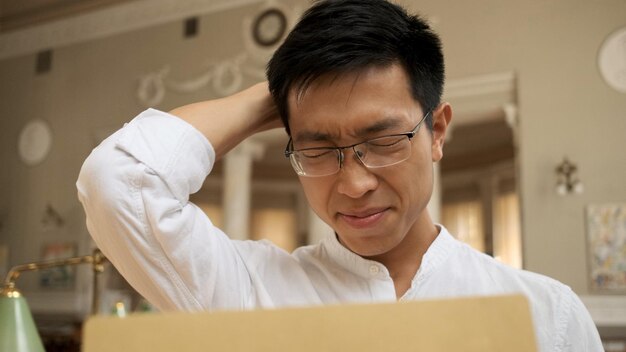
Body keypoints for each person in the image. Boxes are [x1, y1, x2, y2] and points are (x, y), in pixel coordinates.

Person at [77, 0, 602, 350]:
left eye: (382, 141)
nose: (352, 185)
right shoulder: (249, 291)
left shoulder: (546, 313)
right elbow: (117, 182)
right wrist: (280, 93)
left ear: (437, 132)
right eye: (318, 149)